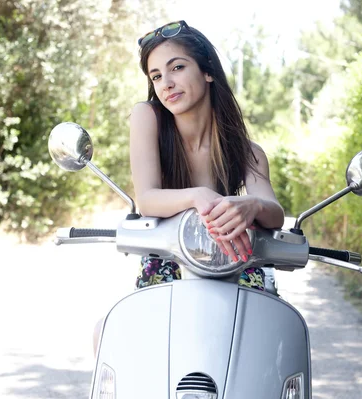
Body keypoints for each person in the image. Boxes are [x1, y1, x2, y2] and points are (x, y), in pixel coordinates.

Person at [93, 20, 284, 354]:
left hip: (234, 262)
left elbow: (274, 213)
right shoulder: (147, 116)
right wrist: (200, 195)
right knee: (109, 336)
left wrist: (252, 205)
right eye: (155, 76)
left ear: (207, 71)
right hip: (169, 259)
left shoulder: (247, 151)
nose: (165, 83)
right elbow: (148, 199)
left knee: (269, 344)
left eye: (177, 67)